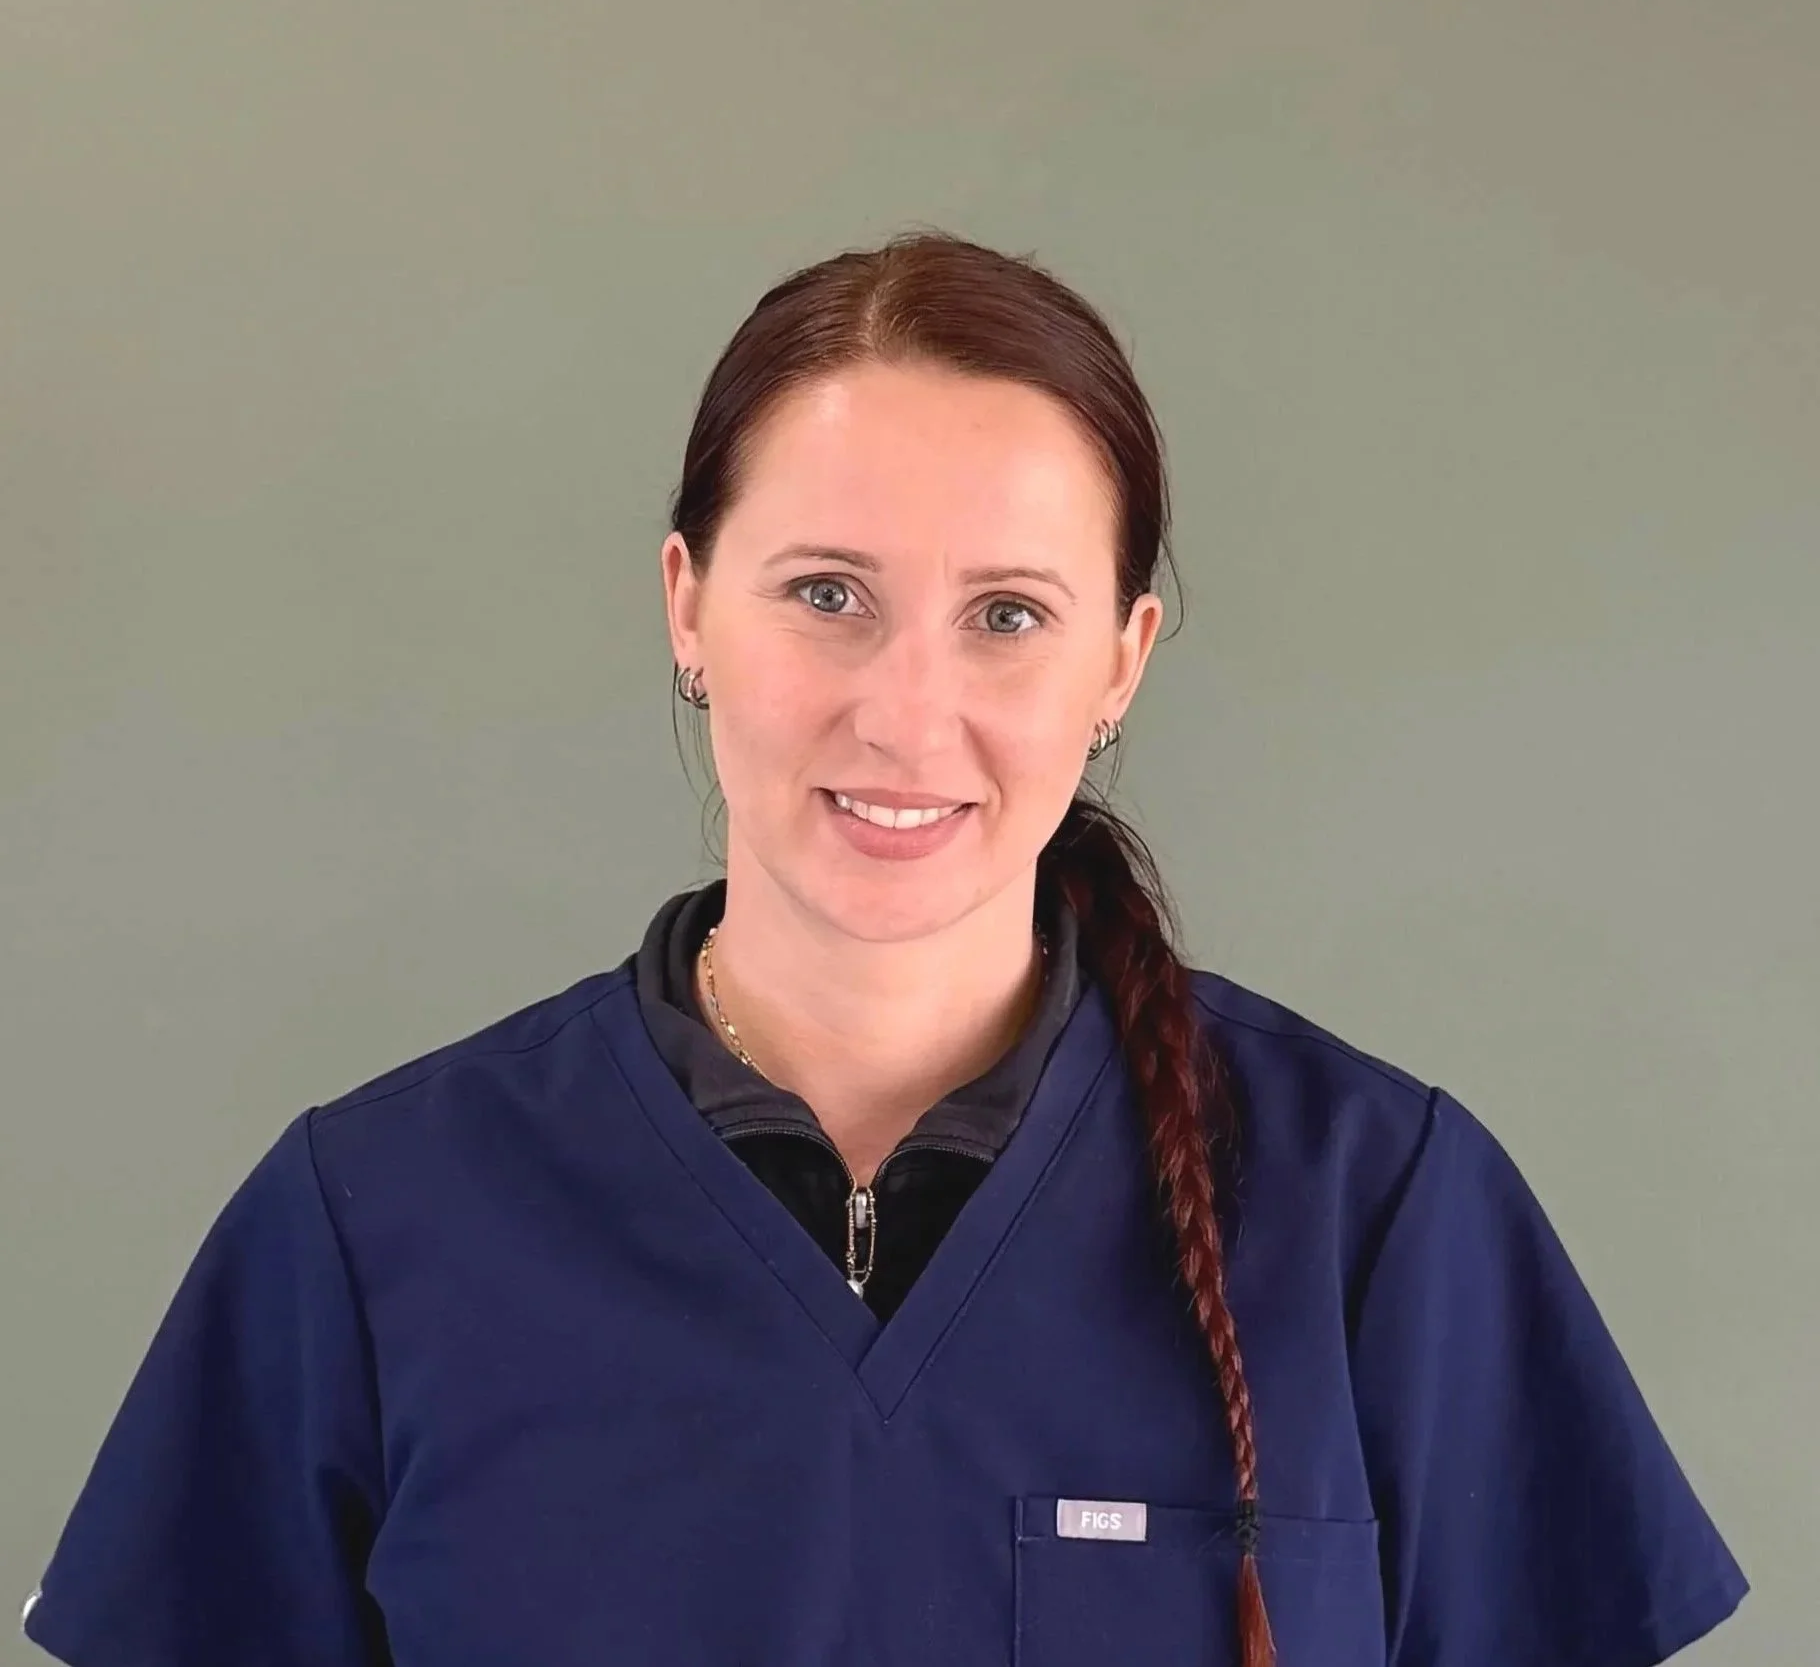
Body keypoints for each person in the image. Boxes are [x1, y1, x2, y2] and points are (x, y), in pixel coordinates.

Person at [21, 232, 1749, 1667]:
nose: (907, 713)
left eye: (1008, 616)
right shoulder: (375, 1225)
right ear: (689, 604)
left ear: (1124, 658)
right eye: (826, 592)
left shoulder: (1376, 1210)